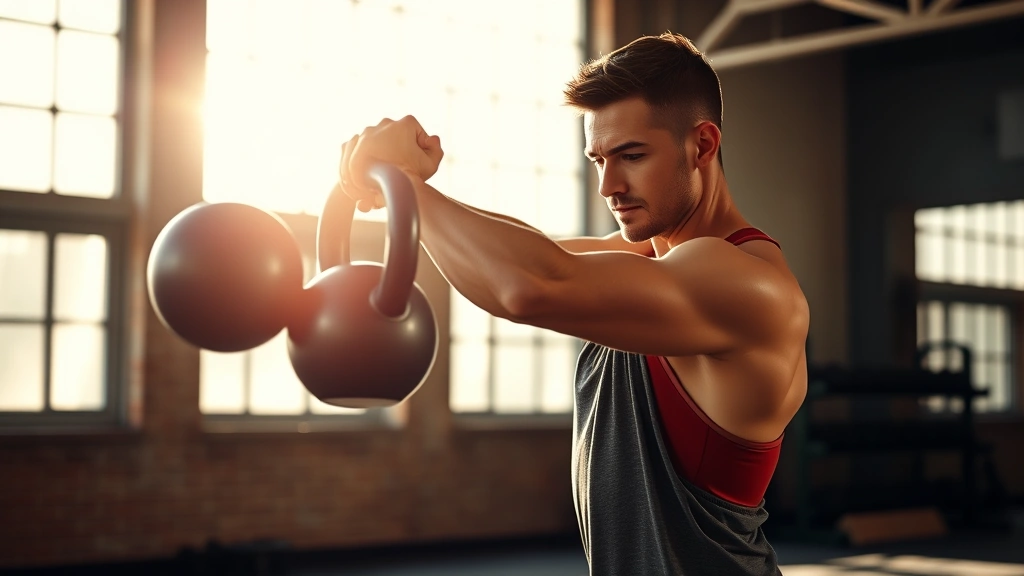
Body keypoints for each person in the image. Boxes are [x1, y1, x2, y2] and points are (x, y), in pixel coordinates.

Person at [339, 32, 809, 576]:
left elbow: (527, 284)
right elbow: (525, 254)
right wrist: (411, 189)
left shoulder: (747, 285)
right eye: (598, 159)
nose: (609, 185)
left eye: (632, 155)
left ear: (702, 145)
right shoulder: (645, 257)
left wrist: (404, 186)